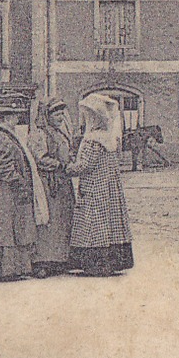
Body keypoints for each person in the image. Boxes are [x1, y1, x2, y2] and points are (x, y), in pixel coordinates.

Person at [0, 98, 49, 283]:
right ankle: (2, 270)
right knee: (4, 229)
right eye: (14, 115)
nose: (17, 119)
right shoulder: (2, 136)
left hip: (7, 192)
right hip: (3, 192)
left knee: (11, 228)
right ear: (6, 118)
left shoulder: (6, 135)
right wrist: (18, 182)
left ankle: (10, 269)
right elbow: (2, 164)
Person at [66, 93, 133, 276]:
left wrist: (66, 168)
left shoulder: (92, 140)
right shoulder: (109, 138)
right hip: (109, 188)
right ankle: (112, 263)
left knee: (93, 224)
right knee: (110, 223)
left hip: (95, 187)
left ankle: (95, 264)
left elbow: (85, 165)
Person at [28, 98, 76, 278]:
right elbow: (39, 158)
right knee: (47, 221)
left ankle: (60, 260)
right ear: (47, 115)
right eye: (56, 113)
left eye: (62, 113)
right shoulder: (39, 134)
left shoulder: (60, 133)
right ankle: (42, 262)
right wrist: (59, 165)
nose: (60, 117)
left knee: (63, 220)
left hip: (62, 182)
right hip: (48, 184)